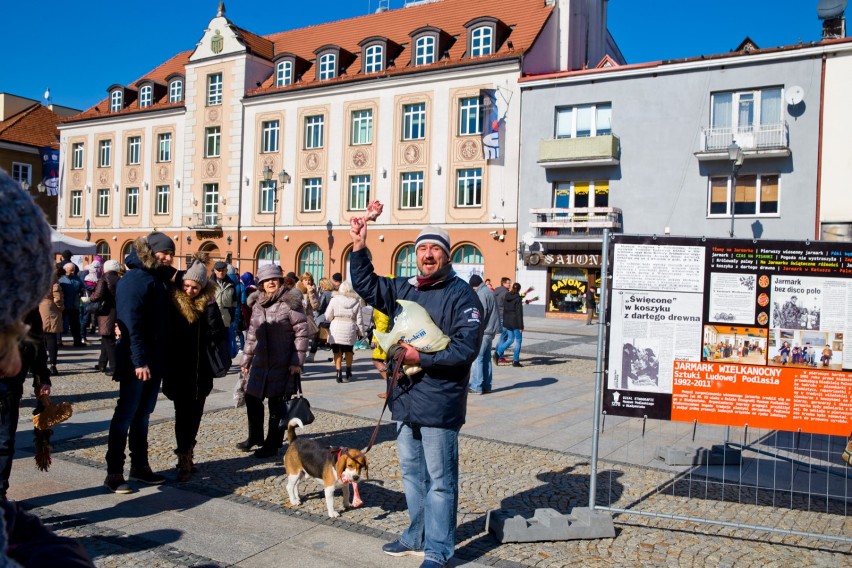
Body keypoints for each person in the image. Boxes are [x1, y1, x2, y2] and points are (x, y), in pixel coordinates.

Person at [349, 220, 482, 568]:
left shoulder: (461, 294)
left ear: (447, 255)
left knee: (440, 481)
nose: (428, 254)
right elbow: (366, 284)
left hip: (440, 401)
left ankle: (438, 550)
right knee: (411, 473)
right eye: (422, 249)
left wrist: (420, 357)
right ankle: (416, 535)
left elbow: (466, 349)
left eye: (435, 249)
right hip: (405, 399)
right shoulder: (404, 288)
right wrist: (359, 246)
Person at [104, 232, 178, 494]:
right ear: (151, 251)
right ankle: (114, 472)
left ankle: (140, 466)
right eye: (164, 252)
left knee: (143, 415)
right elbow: (130, 323)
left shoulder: (158, 279)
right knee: (125, 414)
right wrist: (139, 360)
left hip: (154, 362)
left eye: (171, 252)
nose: (168, 257)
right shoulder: (136, 279)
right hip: (137, 361)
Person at [164, 260, 227, 482]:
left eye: (195, 287)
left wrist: (210, 308)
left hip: (201, 372)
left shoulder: (208, 305)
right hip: (178, 370)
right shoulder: (172, 304)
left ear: (202, 288)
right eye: (187, 286)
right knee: (181, 415)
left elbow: (218, 333)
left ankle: (189, 453)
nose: (190, 291)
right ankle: (183, 457)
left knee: (196, 415)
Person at [239, 264, 309, 458]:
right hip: (260, 360)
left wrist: (297, 362)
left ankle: (273, 443)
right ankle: (255, 436)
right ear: (260, 283)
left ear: (279, 280)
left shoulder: (290, 303)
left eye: (274, 279)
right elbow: (252, 334)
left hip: (283, 361)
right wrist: (246, 361)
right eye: (266, 280)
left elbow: (302, 334)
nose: (270, 282)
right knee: (252, 398)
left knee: (276, 404)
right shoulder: (258, 304)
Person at [324, 280, 364, 383]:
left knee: (337, 351)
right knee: (348, 350)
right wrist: (361, 333)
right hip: (349, 327)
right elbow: (359, 319)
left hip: (336, 327)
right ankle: (349, 370)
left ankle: (338, 373)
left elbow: (328, 316)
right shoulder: (356, 301)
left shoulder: (334, 300)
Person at [468, 275, 500, 395]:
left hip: (484, 330)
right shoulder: (488, 291)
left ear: (474, 286)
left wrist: (477, 329)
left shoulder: (481, 293)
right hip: (490, 329)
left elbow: (482, 312)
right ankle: (487, 385)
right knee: (486, 359)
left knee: (477, 359)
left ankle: (477, 386)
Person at [90, 259, 122, 375]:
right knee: (106, 339)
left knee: (109, 341)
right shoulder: (120, 279)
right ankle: (101, 364)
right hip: (117, 310)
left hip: (106, 312)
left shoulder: (103, 279)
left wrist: (90, 298)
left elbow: (98, 295)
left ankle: (114, 367)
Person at [39, 266, 65, 376]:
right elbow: (57, 297)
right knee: (51, 338)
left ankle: (39, 365)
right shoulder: (53, 280)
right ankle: (53, 365)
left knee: (40, 339)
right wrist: (61, 307)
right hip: (50, 309)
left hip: (38, 308)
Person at [212, 261, 238, 357]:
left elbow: (234, 304)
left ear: (226, 271)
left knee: (225, 345)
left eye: (223, 270)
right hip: (212, 319)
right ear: (214, 271)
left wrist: (234, 320)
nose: (221, 273)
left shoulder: (231, 285)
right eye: (219, 270)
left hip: (226, 319)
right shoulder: (209, 283)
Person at [494, 283, 524, 367]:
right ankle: (515, 361)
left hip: (507, 321)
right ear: (519, 289)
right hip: (515, 322)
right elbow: (519, 313)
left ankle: (497, 353)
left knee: (510, 339)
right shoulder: (518, 298)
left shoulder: (507, 296)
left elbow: (505, 309)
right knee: (518, 340)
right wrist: (521, 326)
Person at [58, 261, 85, 347]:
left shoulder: (76, 278)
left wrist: (81, 292)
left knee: (75, 324)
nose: (72, 272)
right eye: (71, 270)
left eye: (73, 270)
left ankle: (77, 341)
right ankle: (58, 341)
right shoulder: (61, 279)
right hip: (64, 305)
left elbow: (82, 287)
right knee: (60, 323)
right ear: (65, 270)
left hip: (74, 305)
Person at [297, 272, 321, 363]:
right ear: (302, 281)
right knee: (300, 340)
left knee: (314, 336)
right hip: (298, 317)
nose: (307, 282)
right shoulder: (297, 290)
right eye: (305, 280)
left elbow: (315, 306)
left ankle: (310, 356)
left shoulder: (313, 291)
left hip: (308, 317)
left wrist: (311, 293)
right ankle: (299, 361)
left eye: (309, 280)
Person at [492, 277, 511, 364]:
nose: (510, 284)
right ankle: (498, 355)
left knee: (503, 336)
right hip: (504, 316)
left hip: (498, 316)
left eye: (510, 283)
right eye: (508, 283)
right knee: (504, 337)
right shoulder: (506, 293)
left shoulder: (496, 291)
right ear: (503, 283)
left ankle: (499, 355)